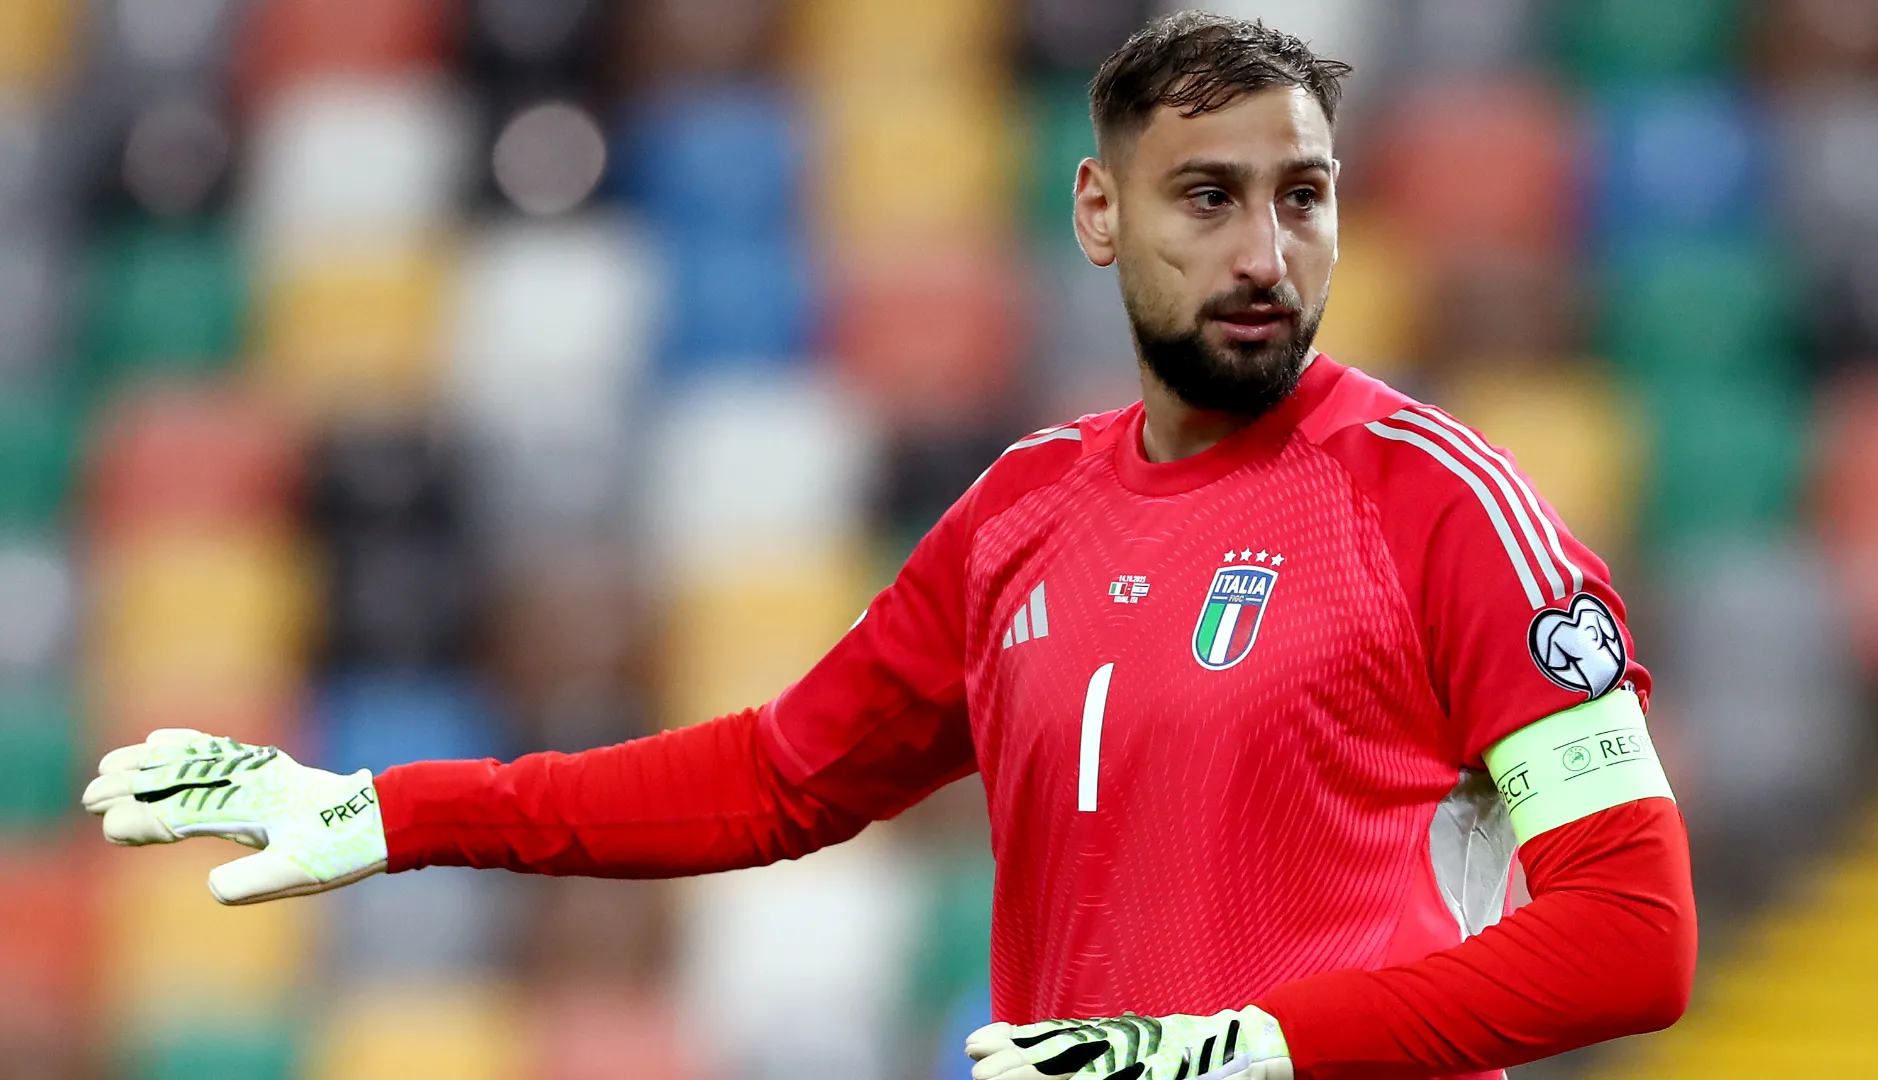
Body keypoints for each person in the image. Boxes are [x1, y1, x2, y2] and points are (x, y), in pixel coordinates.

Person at [83, 13, 1694, 1080]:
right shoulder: (1023, 515)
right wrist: (388, 807)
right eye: (1207, 196)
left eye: (1306, 199)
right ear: (1097, 211)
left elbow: (1635, 936)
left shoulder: (1441, 506)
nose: (1266, 252)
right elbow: (784, 778)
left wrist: (1244, 1050)